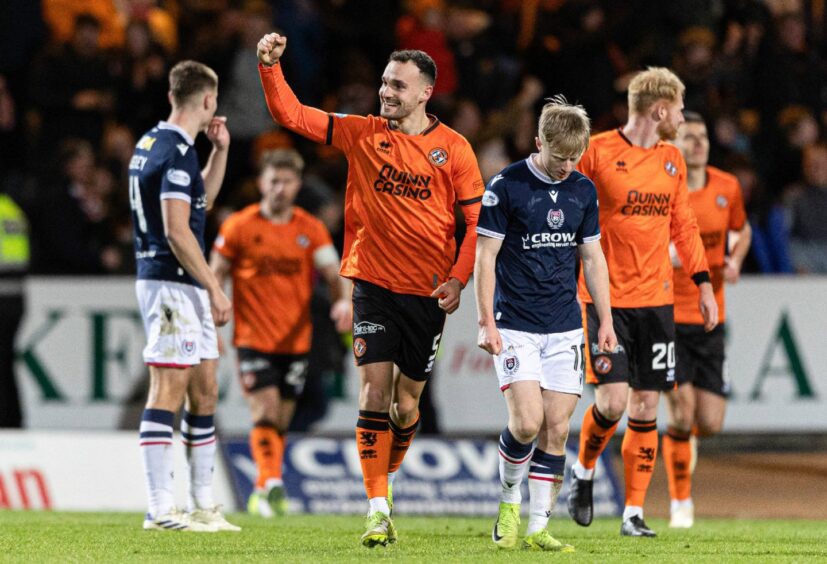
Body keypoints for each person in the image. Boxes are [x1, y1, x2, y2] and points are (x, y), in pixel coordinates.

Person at [257, 33, 484, 547]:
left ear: (425, 92)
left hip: (426, 295)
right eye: (384, 82)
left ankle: (388, 475)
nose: (386, 92)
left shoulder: (455, 150)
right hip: (372, 285)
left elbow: (475, 224)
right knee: (374, 392)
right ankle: (377, 507)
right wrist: (270, 68)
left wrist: (458, 277)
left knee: (407, 407)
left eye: (398, 85)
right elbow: (293, 116)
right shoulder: (360, 133)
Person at [566, 67, 717, 537]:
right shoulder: (598, 153)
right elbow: (565, 206)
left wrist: (704, 283)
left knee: (647, 407)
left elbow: (684, 227)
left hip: (657, 302)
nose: (682, 116)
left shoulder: (672, 160)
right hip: (605, 300)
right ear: (659, 109)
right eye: (679, 105)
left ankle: (633, 512)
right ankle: (585, 470)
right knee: (611, 403)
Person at [475, 96, 616, 552]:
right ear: (538, 142)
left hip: (565, 324)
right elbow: (485, 257)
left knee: (557, 427)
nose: (566, 166)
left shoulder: (583, 190)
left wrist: (605, 320)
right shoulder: (506, 186)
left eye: (575, 158)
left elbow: (592, 257)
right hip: (515, 322)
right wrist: (485, 322)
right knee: (526, 423)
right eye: (559, 157)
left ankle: (538, 527)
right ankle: (508, 500)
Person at [210, 148, 352, 517]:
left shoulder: (309, 228)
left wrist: (342, 302)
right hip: (252, 337)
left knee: (282, 419)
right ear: (261, 183)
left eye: (287, 182)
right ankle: (272, 484)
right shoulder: (240, 226)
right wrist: (214, 307)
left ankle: (262, 486)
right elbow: (216, 271)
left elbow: (332, 271)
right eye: (273, 181)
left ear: (297, 185)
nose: (279, 189)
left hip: (295, 340)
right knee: (266, 408)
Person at [129, 60, 239, 532]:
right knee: (168, 388)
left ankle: (201, 504)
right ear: (208, 100)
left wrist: (220, 153)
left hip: (180, 282)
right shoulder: (174, 151)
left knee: (205, 389)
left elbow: (198, 205)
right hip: (172, 281)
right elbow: (177, 231)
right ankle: (160, 507)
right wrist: (215, 286)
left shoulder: (152, 143)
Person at [663, 112, 751, 528]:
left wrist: (733, 260)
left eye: (702, 136)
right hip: (669, 317)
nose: (697, 143)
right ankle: (681, 501)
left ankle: (683, 448)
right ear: (675, 146)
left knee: (710, 423)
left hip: (710, 318)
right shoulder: (663, 190)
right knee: (681, 414)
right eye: (689, 137)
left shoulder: (726, 186)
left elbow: (741, 230)